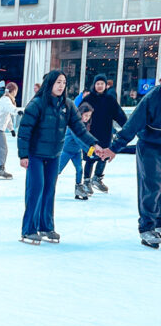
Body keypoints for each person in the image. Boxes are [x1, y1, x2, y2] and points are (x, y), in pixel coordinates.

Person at [17, 70, 105, 245]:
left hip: (54, 154)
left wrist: (94, 144)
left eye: (64, 82)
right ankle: (29, 230)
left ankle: (46, 227)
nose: (61, 86)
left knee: (49, 190)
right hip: (35, 155)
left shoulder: (68, 105)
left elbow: (79, 129)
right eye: (58, 82)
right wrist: (23, 155)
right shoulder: (37, 104)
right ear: (50, 83)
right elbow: (24, 131)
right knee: (36, 189)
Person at [104, 84, 161, 248]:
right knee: (152, 185)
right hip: (150, 146)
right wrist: (115, 147)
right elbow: (133, 124)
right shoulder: (153, 97)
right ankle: (147, 227)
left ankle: (159, 221)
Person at [80, 74, 127, 194]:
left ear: (106, 85)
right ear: (94, 85)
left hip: (105, 133)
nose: (100, 86)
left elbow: (119, 115)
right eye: (97, 83)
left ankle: (97, 177)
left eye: (102, 84)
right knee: (90, 158)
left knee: (104, 156)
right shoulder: (88, 99)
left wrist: (127, 127)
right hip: (91, 135)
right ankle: (86, 181)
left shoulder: (110, 99)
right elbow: (80, 115)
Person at [58, 102, 94, 200]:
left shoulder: (84, 126)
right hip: (67, 151)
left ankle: (79, 188)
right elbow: (79, 141)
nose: (87, 118)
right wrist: (90, 151)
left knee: (79, 169)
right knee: (58, 170)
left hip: (76, 152)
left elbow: (85, 140)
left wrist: (92, 149)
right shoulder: (74, 125)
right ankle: (47, 185)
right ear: (80, 113)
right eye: (85, 115)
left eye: (89, 116)